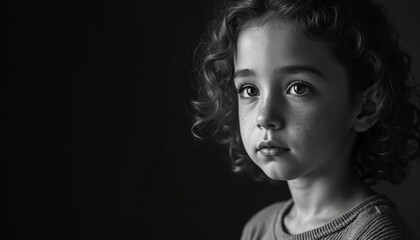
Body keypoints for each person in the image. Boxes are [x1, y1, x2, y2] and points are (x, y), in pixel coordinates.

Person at [191, 0, 420, 239]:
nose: (264, 117)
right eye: (249, 90)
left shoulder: (375, 235)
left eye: (298, 88)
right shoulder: (257, 229)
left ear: (366, 108)